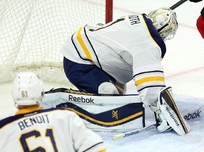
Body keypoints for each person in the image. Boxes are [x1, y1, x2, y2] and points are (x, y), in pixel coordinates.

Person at [62, 7, 190, 135]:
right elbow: (150, 86)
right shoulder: (148, 45)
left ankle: (92, 91)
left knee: (120, 92)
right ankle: (73, 107)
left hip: (85, 49)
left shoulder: (137, 20)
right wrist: (162, 112)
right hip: (80, 63)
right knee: (110, 94)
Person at [0, 72, 106, 152]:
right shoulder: (65, 116)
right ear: (41, 93)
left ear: (14, 95)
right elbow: (97, 147)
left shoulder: (4, 129)